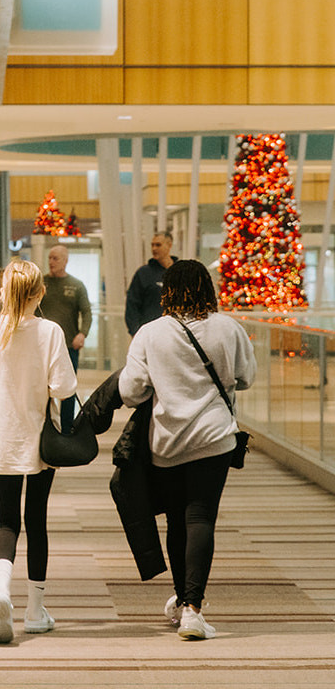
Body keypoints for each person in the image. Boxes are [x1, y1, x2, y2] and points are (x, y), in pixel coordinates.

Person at [118, 259, 256, 641]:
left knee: (177, 522)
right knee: (201, 518)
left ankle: (183, 601)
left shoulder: (150, 333)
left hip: (167, 441)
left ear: (167, 292)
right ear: (207, 288)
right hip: (214, 440)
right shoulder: (228, 328)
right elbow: (246, 378)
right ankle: (194, 609)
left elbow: (131, 391)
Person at [0, 259, 77, 643]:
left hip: (0, 436)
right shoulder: (50, 331)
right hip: (39, 440)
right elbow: (64, 389)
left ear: (4, 292)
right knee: (37, 520)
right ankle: (34, 611)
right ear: (39, 292)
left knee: (7, 520)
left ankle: (0, 590)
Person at [41, 244, 92, 371]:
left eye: (55, 258)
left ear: (65, 261)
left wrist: (82, 334)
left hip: (68, 344)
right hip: (43, 344)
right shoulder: (40, 283)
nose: (51, 262)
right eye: (49, 258)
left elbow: (86, 312)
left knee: (68, 386)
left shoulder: (76, 285)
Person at [125, 230, 177, 336]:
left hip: (175, 334)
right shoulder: (143, 273)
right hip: (149, 335)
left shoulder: (181, 272)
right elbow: (132, 306)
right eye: (152, 245)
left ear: (169, 245)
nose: (154, 249)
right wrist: (135, 333)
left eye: (158, 245)